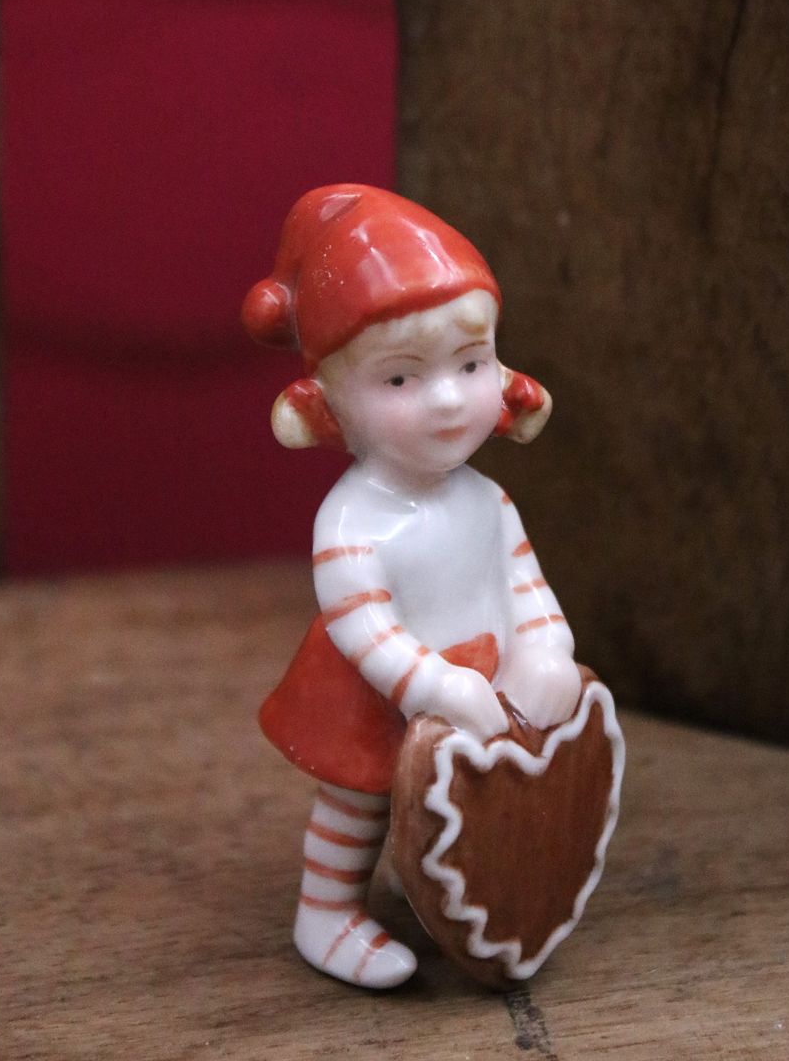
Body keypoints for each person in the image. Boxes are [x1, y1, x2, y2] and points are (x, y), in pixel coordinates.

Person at [243, 184, 583, 989]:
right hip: (377, 692)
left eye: (470, 364)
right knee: (358, 800)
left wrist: (547, 647)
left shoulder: (488, 500)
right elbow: (363, 627)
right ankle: (326, 910)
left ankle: (433, 878)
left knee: (457, 796)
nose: (448, 398)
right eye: (400, 380)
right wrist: (430, 684)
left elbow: (524, 584)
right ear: (328, 402)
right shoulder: (353, 521)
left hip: (483, 677)